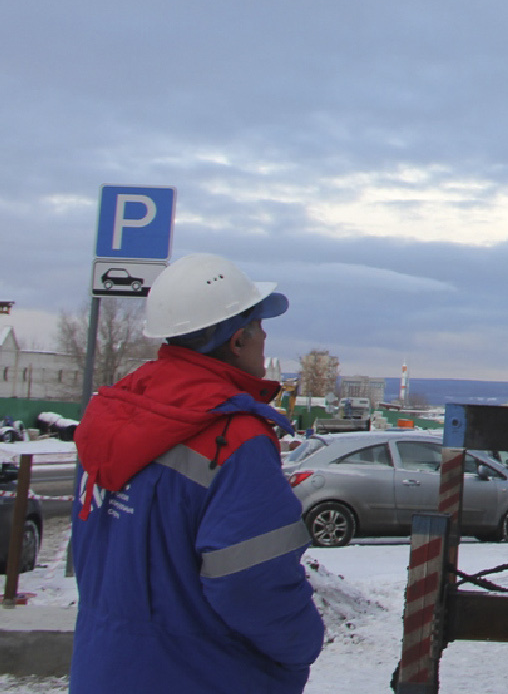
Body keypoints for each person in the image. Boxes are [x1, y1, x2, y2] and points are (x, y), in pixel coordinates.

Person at [72, 253, 325, 694]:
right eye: (259, 323)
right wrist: (304, 643)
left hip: (104, 668)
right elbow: (253, 585)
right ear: (237, 340)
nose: (265, 336)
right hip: (202, 675)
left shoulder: (111, 418)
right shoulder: (235, 440)